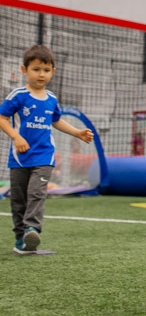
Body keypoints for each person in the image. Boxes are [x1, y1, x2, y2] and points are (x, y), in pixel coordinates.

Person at [0, 44, 94, 254]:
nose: (41, 74)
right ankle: (20, 240)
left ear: (53, 71)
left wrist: (77, 132)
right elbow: (2, 118)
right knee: (18, 200)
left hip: (44, 156)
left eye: (46, 70)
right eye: (36, 69)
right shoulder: (18, 95)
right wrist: (16, 137)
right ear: (24, 70)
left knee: (36, 193)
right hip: (20, 158)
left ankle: (32, 228)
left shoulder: (51, 98)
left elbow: (56, 121)